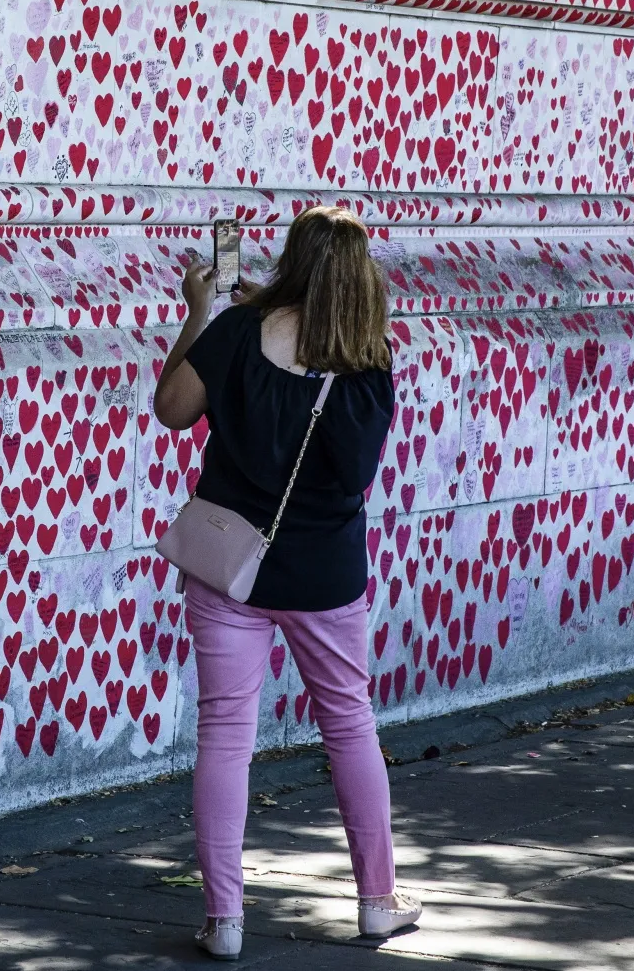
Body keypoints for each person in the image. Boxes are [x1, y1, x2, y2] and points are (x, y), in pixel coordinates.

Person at [153, 207, 417, 961]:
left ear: (293, 262)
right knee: (350, 727)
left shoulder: (236, 333)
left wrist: (199, 313)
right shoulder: (369, 360)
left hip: (230, 569)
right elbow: (359, 473)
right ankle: (376, 902)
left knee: (226, 736)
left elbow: (170, 408)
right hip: (327, 578)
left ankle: (225, 920)